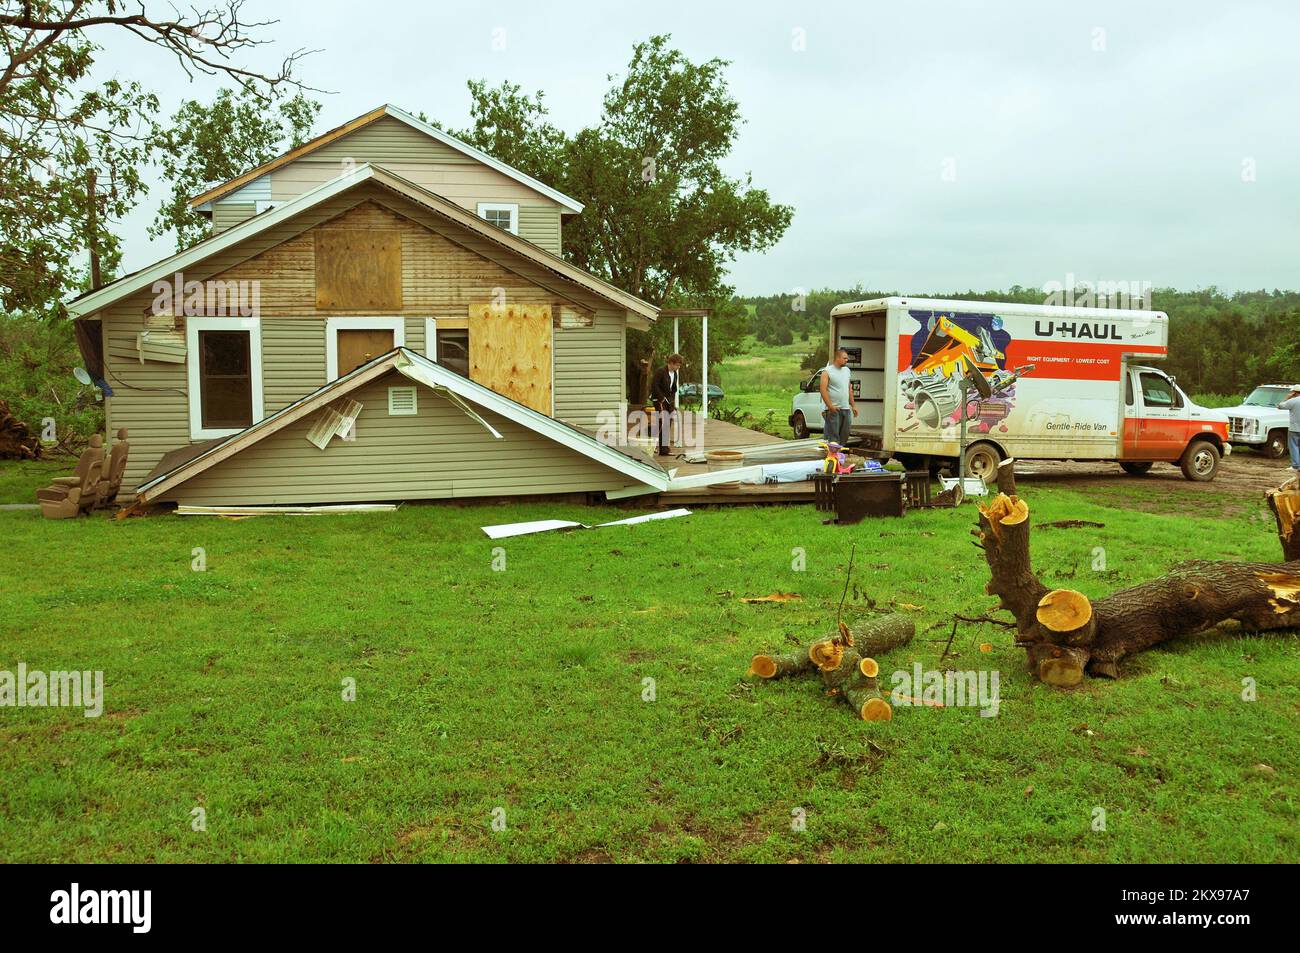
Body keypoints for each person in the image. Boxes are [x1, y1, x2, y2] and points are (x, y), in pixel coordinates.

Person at [819, 348, 857, 446]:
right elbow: (823, 390)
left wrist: (853, 406)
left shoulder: (847, 370)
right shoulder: (827, 371)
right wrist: (830, 406)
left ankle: (839, 457)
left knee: (844, 435)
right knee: (833, 438)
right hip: (834, 409)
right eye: (844, 358)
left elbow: (849, 389)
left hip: (845, 408)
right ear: (837, 358)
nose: (847, 360)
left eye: (847, 358)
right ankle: (831, 458)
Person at [651, 353, 683, 456]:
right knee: (663, 422)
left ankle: (664, 449)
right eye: (677, 365)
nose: (679, 367)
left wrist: (671, 400)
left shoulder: (675, 373)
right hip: (659, 400)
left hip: (669, 401)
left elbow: (674, 388)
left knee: (668, 422)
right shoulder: (660, 372)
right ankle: (657, 446)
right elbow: (654, 386)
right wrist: (662, 398)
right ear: (671, 363)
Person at [1277, 385, 1300, 483]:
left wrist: (1287, 398)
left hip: (1295, 428)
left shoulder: (1293, 401)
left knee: (1294, 446)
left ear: (1294, 392)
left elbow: (1279, 406)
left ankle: (1296, 465)